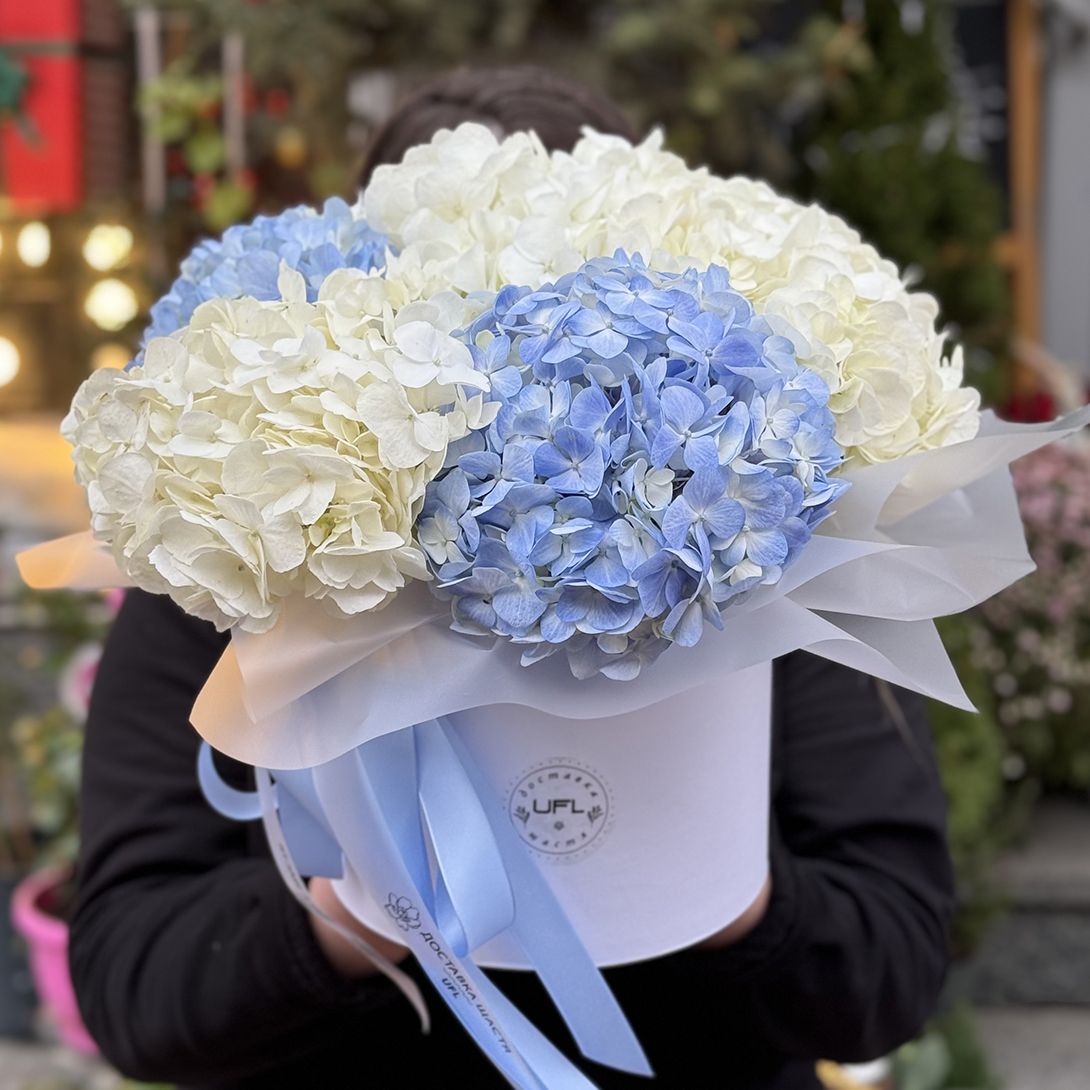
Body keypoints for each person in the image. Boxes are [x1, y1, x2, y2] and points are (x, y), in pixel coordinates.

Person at [69, 66, 955, 1090]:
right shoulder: (239, 553)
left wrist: (711, 877)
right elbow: (134, 987)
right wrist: (367, 906)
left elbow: (893, 961)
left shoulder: (756, 544)